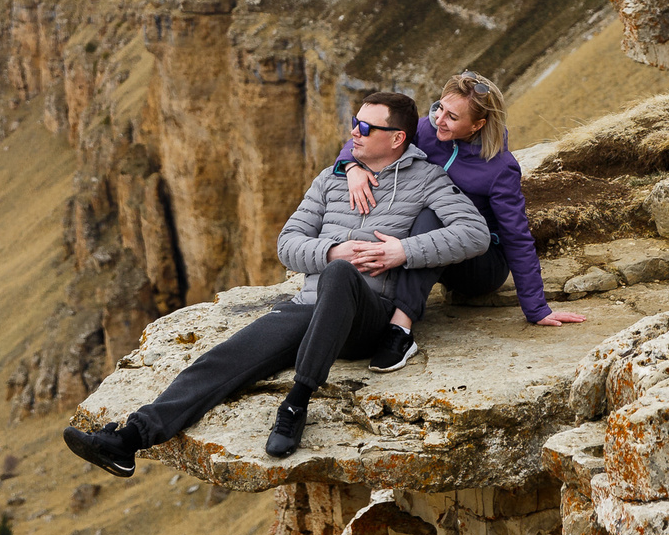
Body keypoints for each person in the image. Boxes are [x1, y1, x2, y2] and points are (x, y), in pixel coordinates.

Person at [60, 90, 488, 474]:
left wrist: (402, 251)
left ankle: (297, 401)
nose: (352, 132)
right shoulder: (331, 178)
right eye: (354, 122)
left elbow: (474, 234)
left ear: (396, 139)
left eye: (364, 127)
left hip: (367, 317)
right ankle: (129, 440)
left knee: (341, 276)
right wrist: (331, 250)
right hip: (309, 306)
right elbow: (287, 244)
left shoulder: (428, 179)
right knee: (224, 358)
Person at [338, 69, 584, 373]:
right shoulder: (426, 131)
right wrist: (350, 166)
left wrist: (536, 308)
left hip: (480, 264)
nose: (440, 119)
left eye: (452, 117)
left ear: (477, 124)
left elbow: (516, 237)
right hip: (426, 244)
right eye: (439, 108)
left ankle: (399, 329)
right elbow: (371, 136)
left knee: (436, 214)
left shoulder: (499, 168)